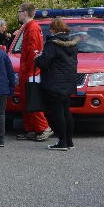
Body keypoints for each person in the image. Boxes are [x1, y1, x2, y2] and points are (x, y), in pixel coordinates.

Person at [35, 18, 78, 151]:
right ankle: (69, 141)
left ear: (53, 29)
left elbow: (43, 63)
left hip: (54, 83)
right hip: (68, 82)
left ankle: (62, 142)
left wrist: (36, 58)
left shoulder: (52, 44)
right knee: (66, 111)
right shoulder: (73, 43)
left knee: (57, 113)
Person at [16, 3, 54, 142]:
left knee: (32, 101)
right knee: (27, 102)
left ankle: (44, 128)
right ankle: (31, 129)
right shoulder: (30, 28)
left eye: (19, 11)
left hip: (30, 72)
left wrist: (28, 71)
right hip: (28, 71)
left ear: (25, 13)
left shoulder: (32, 29)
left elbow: (33, 53)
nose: (18, 14)